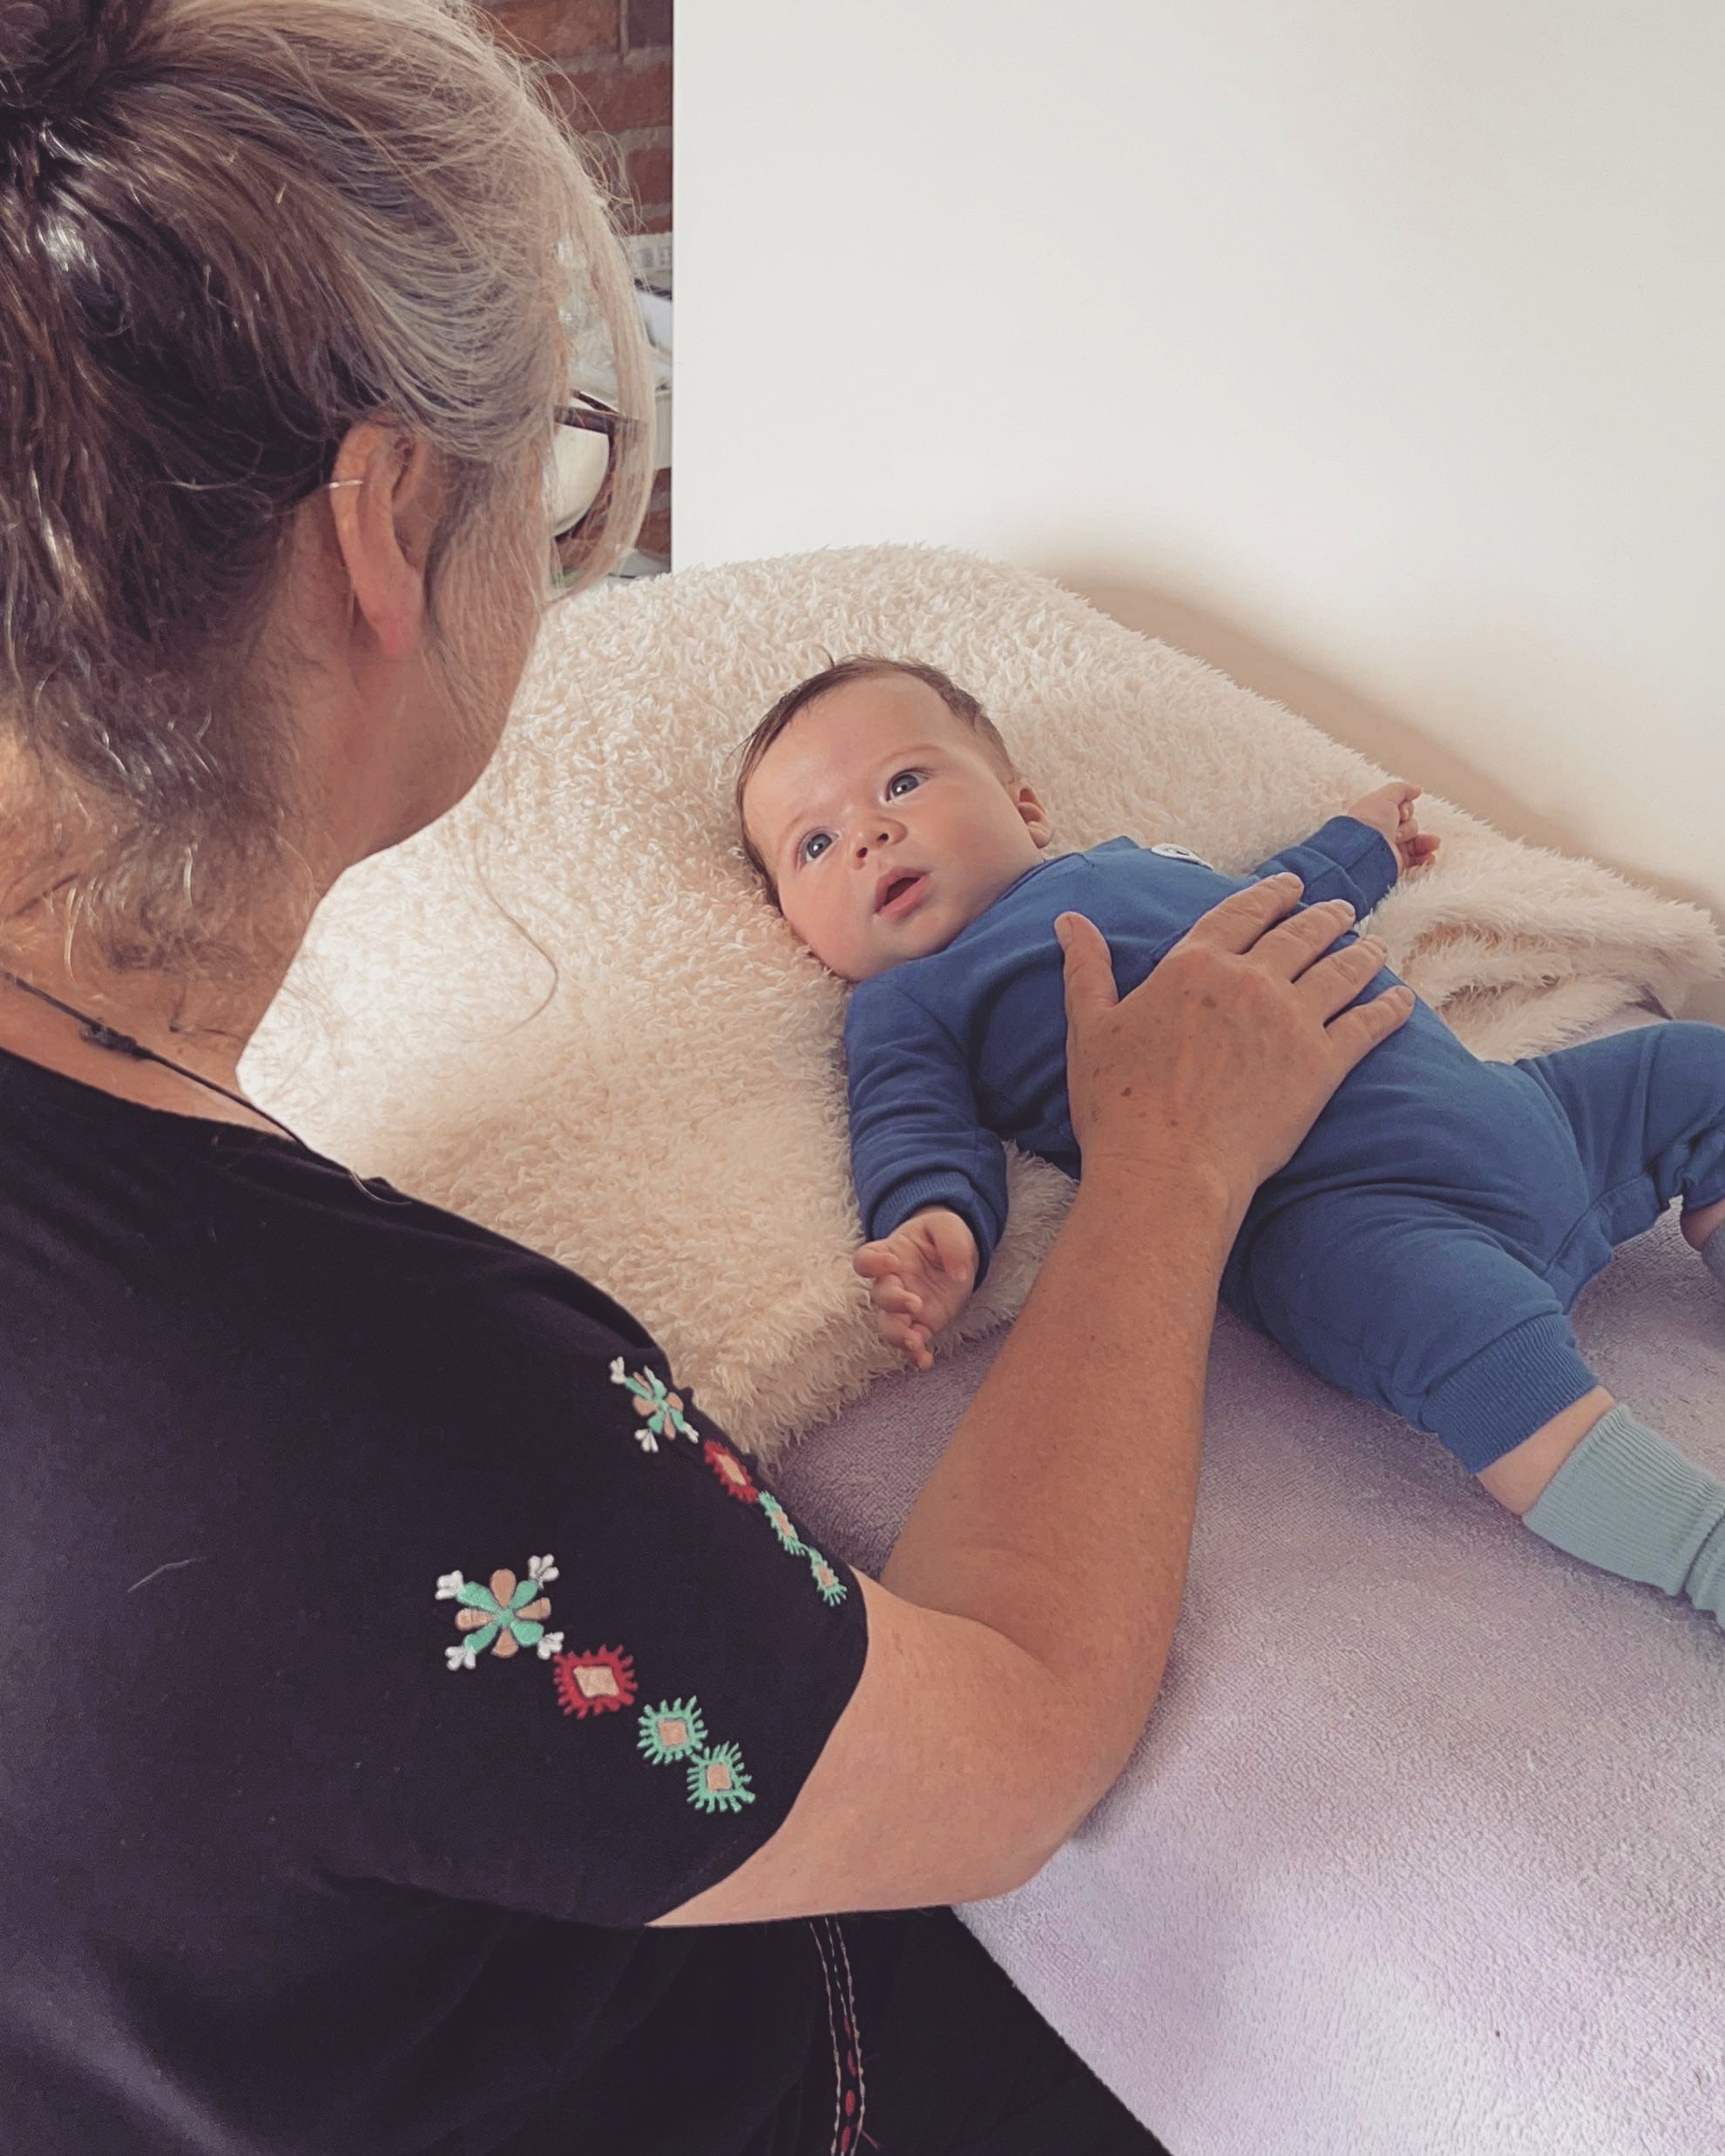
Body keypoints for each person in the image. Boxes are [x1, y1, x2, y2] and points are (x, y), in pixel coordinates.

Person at [0, 4, 1415, 2152]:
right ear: (390, 520)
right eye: (552, 463)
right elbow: (1010, 1749)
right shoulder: (387, 1407)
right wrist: (1158, 1166)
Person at [734, 656, 1725, 1632]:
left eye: (902, 783)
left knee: (1696, 1069)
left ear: (1025, 808)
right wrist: (934, 1223)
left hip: (1508, 1109)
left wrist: (1365, 843)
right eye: (812, 846)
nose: (868, 834)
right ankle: (1700, 1548)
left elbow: (1279, 897)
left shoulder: (1126, 864)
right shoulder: (906, 1003)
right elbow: (911, 1122)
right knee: (1469, 1338)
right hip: (1346, 1212)